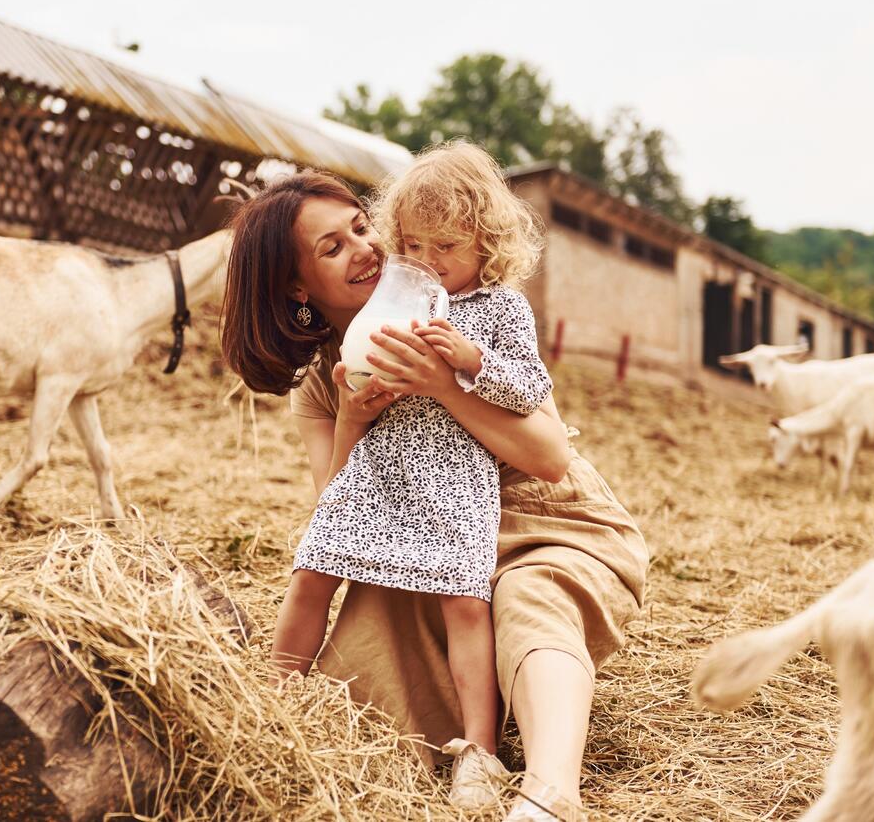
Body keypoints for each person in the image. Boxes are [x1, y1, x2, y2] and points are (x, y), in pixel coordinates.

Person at [220, 152, 648, 822]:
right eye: (333, 247)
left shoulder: (464, 312)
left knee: (527, 600)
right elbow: (339, 510)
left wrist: (445, 386)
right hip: (425, 529)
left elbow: (549, 458)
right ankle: (269, 722)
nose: (367, 248)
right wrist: (354, 418)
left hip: (546, 518)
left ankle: (549, 792)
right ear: (297, 287)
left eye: (362, 228)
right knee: (366, 663)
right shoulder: (319, 386)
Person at [269, 142, 555, 811]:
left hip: (454, 474)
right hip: (376, 466)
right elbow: (366, 353)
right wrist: (355, 398)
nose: (425, 261)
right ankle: (271, 697)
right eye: (414, 245)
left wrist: (469, 359)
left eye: (445, 248)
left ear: (487, 243)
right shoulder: (402, 286)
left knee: (465, 601)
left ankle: (478, 752)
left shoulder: (501, 310)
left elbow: (529, 387)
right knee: (313, 568)